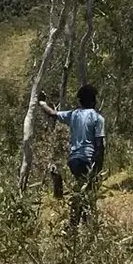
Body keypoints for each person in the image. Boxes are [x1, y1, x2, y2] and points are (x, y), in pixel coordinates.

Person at [38, 84, 106, 223]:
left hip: (73, 160)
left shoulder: (74, 114)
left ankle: (78, 223)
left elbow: (51, 113)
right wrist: (98, 167)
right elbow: (100, 145)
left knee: (83, 189)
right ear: (94, 101)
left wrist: (42, 102)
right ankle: (77, 225)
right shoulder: (98, 118)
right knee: (87, 192)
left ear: (80, 101)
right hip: (88, 159)